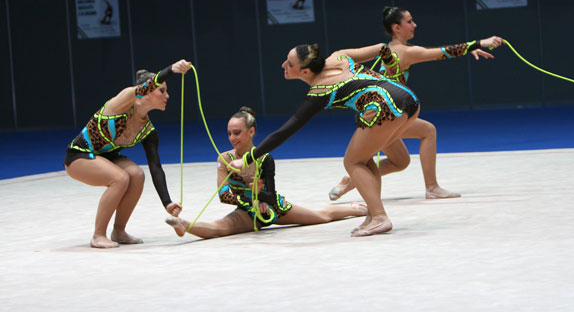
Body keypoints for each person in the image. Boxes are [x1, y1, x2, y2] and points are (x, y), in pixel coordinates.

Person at [222, 42, 432, 237]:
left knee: (352, 161)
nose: (283, 64)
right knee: (363, 158)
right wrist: (395, 76)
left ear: (305, 72)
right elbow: (383, 48)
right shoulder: (340, 56)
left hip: (384, 107)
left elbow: (284, 132)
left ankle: (379, 216)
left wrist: (247, 159)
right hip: (410, 99)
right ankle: (374, 213)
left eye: (290, 63)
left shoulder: (320, 91)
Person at [328, 6, 503, 201]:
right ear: (397, 27)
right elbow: (441, 53)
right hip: (387, 114)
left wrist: (471, 47)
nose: (414, 25)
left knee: (400, 161)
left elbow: (438, 51)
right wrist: (479, 43)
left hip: (378, 113)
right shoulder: (404, 52)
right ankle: (432, 187)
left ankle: (349, 182)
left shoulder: (391, 49)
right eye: (409, 21)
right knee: (428, 131)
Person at [165, 107, 367, 239]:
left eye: (237, 133)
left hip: (275, 208)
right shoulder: (224, 159)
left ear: (251, 132)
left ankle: (356, 208)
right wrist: (251, 200)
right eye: (229, 133)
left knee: (321, 216)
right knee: (219, 228)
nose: (232, 138)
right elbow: (223, 195)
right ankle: (183, 224)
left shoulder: (264, 159)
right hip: (247, 211)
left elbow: (270, 194)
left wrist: (259, 196)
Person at [64, 59, 192, 248]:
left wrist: (167, 202)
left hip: (106, 157)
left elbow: (155, 167)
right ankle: (98, 235)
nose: (167, 96)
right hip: (79, 155)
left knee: (137, 175)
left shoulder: (148, 130)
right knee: (120, 178)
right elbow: (148, 85)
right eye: (162, 91)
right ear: (147, 92)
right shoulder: (124, 101)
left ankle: (119, 231)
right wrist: (171, 70)